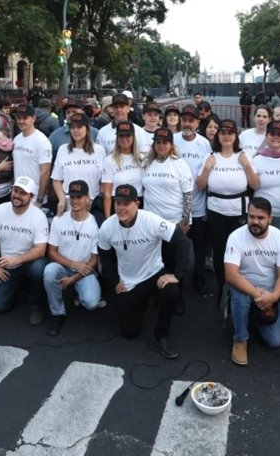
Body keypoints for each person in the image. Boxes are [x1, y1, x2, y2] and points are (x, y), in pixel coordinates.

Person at [98, 184, 192, 359]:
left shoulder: (151, 220)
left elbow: (183, 241)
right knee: (129, 332)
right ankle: (142, 304)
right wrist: (114, 282)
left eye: (126, 203)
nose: (121, 208)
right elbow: (104, 255)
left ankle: (161, 334)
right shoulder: (107, 227)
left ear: (137, 203)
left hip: (153, 274)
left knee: (171, 292)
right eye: (118, 203)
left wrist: (177, 274)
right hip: (129, 281)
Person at [196, 119, 260, 298]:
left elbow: (255, 184)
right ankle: (222, 288)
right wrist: (208, 168)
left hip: (239, 211)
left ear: (235, 136)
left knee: (240, 250)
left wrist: (247, 165)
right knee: (220, 251)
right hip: (216, 212)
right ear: (218, 135)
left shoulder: (243, 156)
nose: (226, 136)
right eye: (223, 133)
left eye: (230, 133)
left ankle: (240, 288)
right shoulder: (210, 157)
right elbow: (200, 185)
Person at [224, 197, 280, 366]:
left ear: (270, 218)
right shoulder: (235, 237)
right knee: (239, 294)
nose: (255, 221)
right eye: (251, 216)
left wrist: (273, 297)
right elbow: (231, 274)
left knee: (276, 342)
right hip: (245, 287)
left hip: (270, 291)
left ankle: (250, 316)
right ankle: (240, 339)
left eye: (260, 218)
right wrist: (257, 294)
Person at [0, 176, 49, 324]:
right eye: (15, 191)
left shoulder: (39, 216)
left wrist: (18, 259)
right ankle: (18, 286)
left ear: (31, 196)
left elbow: (41, 250)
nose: (17, 195)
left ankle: (37, 305)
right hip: (7, 265)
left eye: (23, 193)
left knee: (39, 268)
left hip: (29, 262)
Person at [43, 180, 102, 336]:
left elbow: (94, 260)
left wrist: (73, 279)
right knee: (49, 271)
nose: (75, 201)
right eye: (73, 197)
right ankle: (57, 313)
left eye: (80, 197)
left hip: (85, 271)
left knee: (91, 303)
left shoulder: (94, 224)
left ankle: (78, 292)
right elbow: (51, 252)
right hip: (63, 266)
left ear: (87, 198)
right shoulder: (59, 219)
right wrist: (74, 265)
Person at [172, 106, 213, 296]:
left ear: (198, 123)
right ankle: (176, 282)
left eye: (192, 120)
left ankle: (199, 279)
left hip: (197, 207)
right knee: (175, 249)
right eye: (185, 119)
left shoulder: (204, 144)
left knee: (199, 248)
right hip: (174, 208)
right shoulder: (172, 141)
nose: (187, 123)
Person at [52, 115, 106, 219]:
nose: (75, 131)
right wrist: (62, 199)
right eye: (72, 127)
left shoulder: (99, 151)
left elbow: (103, 181)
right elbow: (56, 179)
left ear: (87, 128)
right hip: (69, 203)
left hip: (91, 203)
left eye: (79, 127)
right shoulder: (63, 150)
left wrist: (97, 199)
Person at [251, 120, 280, 234]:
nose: (276, 137)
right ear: (266, 136)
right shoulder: (256, 160)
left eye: (279, 134)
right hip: (261, 216)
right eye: (272, 134)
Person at [10, 103, 53, 212]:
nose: (21, 121)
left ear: (33, 118)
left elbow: (45, 173)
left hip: (34, 197)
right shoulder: (16, 139)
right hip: (18, 195)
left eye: (25, 118)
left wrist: (40, 199)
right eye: (18, 118)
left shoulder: (42, 141)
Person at [101, 121, 143, 219]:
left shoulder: (141, 159)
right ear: (117, 138)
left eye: (128, 135)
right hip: (118, 205)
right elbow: (107, 193)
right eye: (121, 136)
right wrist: (107, 218)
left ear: (133, 137)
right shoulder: (109, 160)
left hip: (138, 204)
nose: (124, 139)